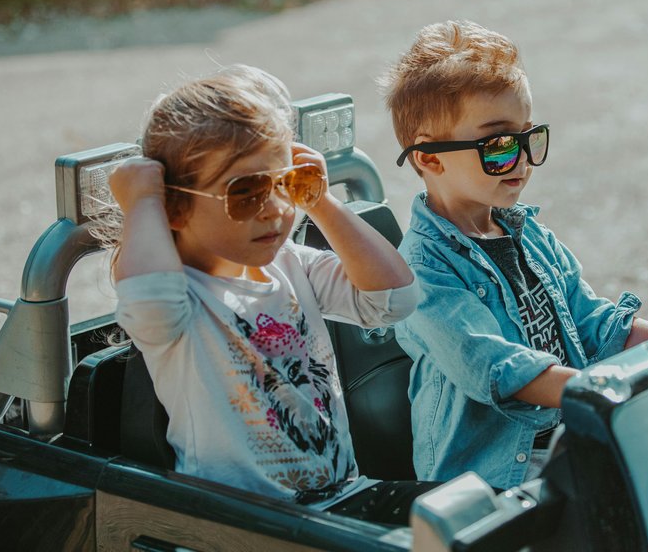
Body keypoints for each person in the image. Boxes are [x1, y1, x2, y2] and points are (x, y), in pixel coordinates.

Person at [105, 64, 435, 525]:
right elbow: (150, 296)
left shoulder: (290, 264)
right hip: (247, 525)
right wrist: (141, 202)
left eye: (286, 183)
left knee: (491, 520)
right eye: (247, 192)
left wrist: (319, 199)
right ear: (175, 208)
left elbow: (395, 298)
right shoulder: (181, 301)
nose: (278, 209)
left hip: (343, 500)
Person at [380, 20, 648, 489]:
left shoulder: (530, 235)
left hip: (567, 442)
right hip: (493, 479)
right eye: (498, 146)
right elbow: (494, 369)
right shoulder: (421, 270)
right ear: (430, 158)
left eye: (528, 138)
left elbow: (596, 325)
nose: (519, 160)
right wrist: (599, 392)